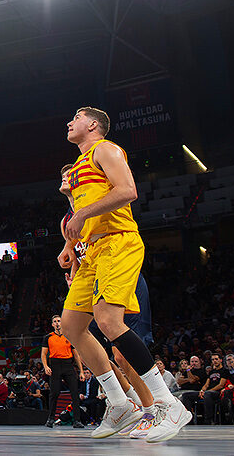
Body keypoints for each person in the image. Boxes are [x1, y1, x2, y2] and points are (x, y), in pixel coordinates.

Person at [57, 107, 190, 442]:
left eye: (77, 117)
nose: (70, 122)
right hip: (92, 251)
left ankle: (167, 403)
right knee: (71, 326)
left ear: (93, 124)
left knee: (108, 321)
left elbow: (128, 190)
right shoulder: (78, 167)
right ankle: (119, 403)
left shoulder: (106, 149)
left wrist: (81, 214)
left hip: (118, 242)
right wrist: (71, 243)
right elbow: (85, 214)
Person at [59, 163, 157, 438]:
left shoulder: (97, 200)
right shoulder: (67, 220)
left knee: (122, 353)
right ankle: (127, 404)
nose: (66, 177)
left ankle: (154, 409)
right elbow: (78, 255)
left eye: (70, 174)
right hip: (93, 278)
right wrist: (73, 272)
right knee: (94, 349)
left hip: (119, 272)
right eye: (63, 175)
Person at [41, 315, 85, 429]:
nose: (57, 323)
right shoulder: (48, 337)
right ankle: (51, 418)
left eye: (59, 321)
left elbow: (76, 355)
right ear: (52, 324)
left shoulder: (69, 336)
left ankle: (77, 420)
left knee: (74, 393)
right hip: (55, 365)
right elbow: (43, 354)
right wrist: (46, 366)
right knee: (54, 393)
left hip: (68, 365)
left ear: (62, 323)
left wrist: (81, 371)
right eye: (55, 321)